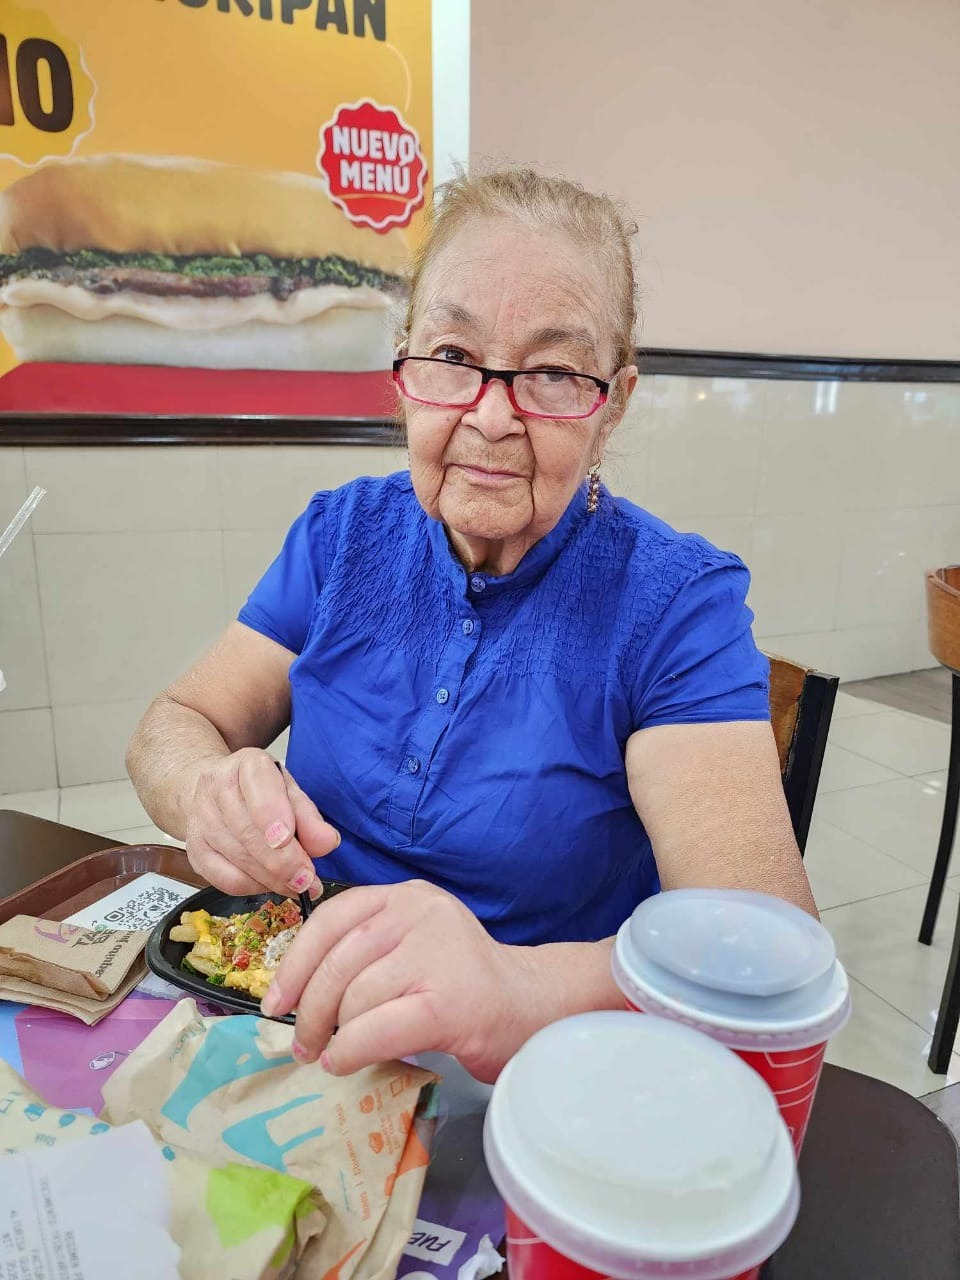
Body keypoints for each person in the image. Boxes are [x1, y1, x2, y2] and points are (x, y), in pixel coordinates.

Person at [127, 168, 816, 1084]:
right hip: (291, 1014)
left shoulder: (673, 606)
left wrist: (513, 988)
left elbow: (763, 951)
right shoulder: (342, 537)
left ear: (613, 402)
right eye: (453, 355)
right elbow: (175, 723)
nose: (491, 417)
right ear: (405, 372)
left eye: (553, 372)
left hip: (538, 1073)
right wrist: (206, 791)